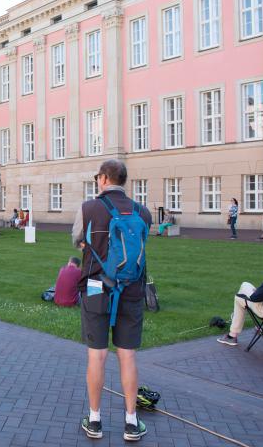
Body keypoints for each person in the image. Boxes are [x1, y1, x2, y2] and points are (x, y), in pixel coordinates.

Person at [71, 159, 152, 442]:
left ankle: (94, 420)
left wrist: (88, 245)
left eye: (98, 177)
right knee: (127, 354)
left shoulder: (89, 208)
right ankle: (131, 421)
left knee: (97, 354)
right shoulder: (143, 212)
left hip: (96, 287)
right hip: (131, 289)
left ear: (104, 179)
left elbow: (77, 240)